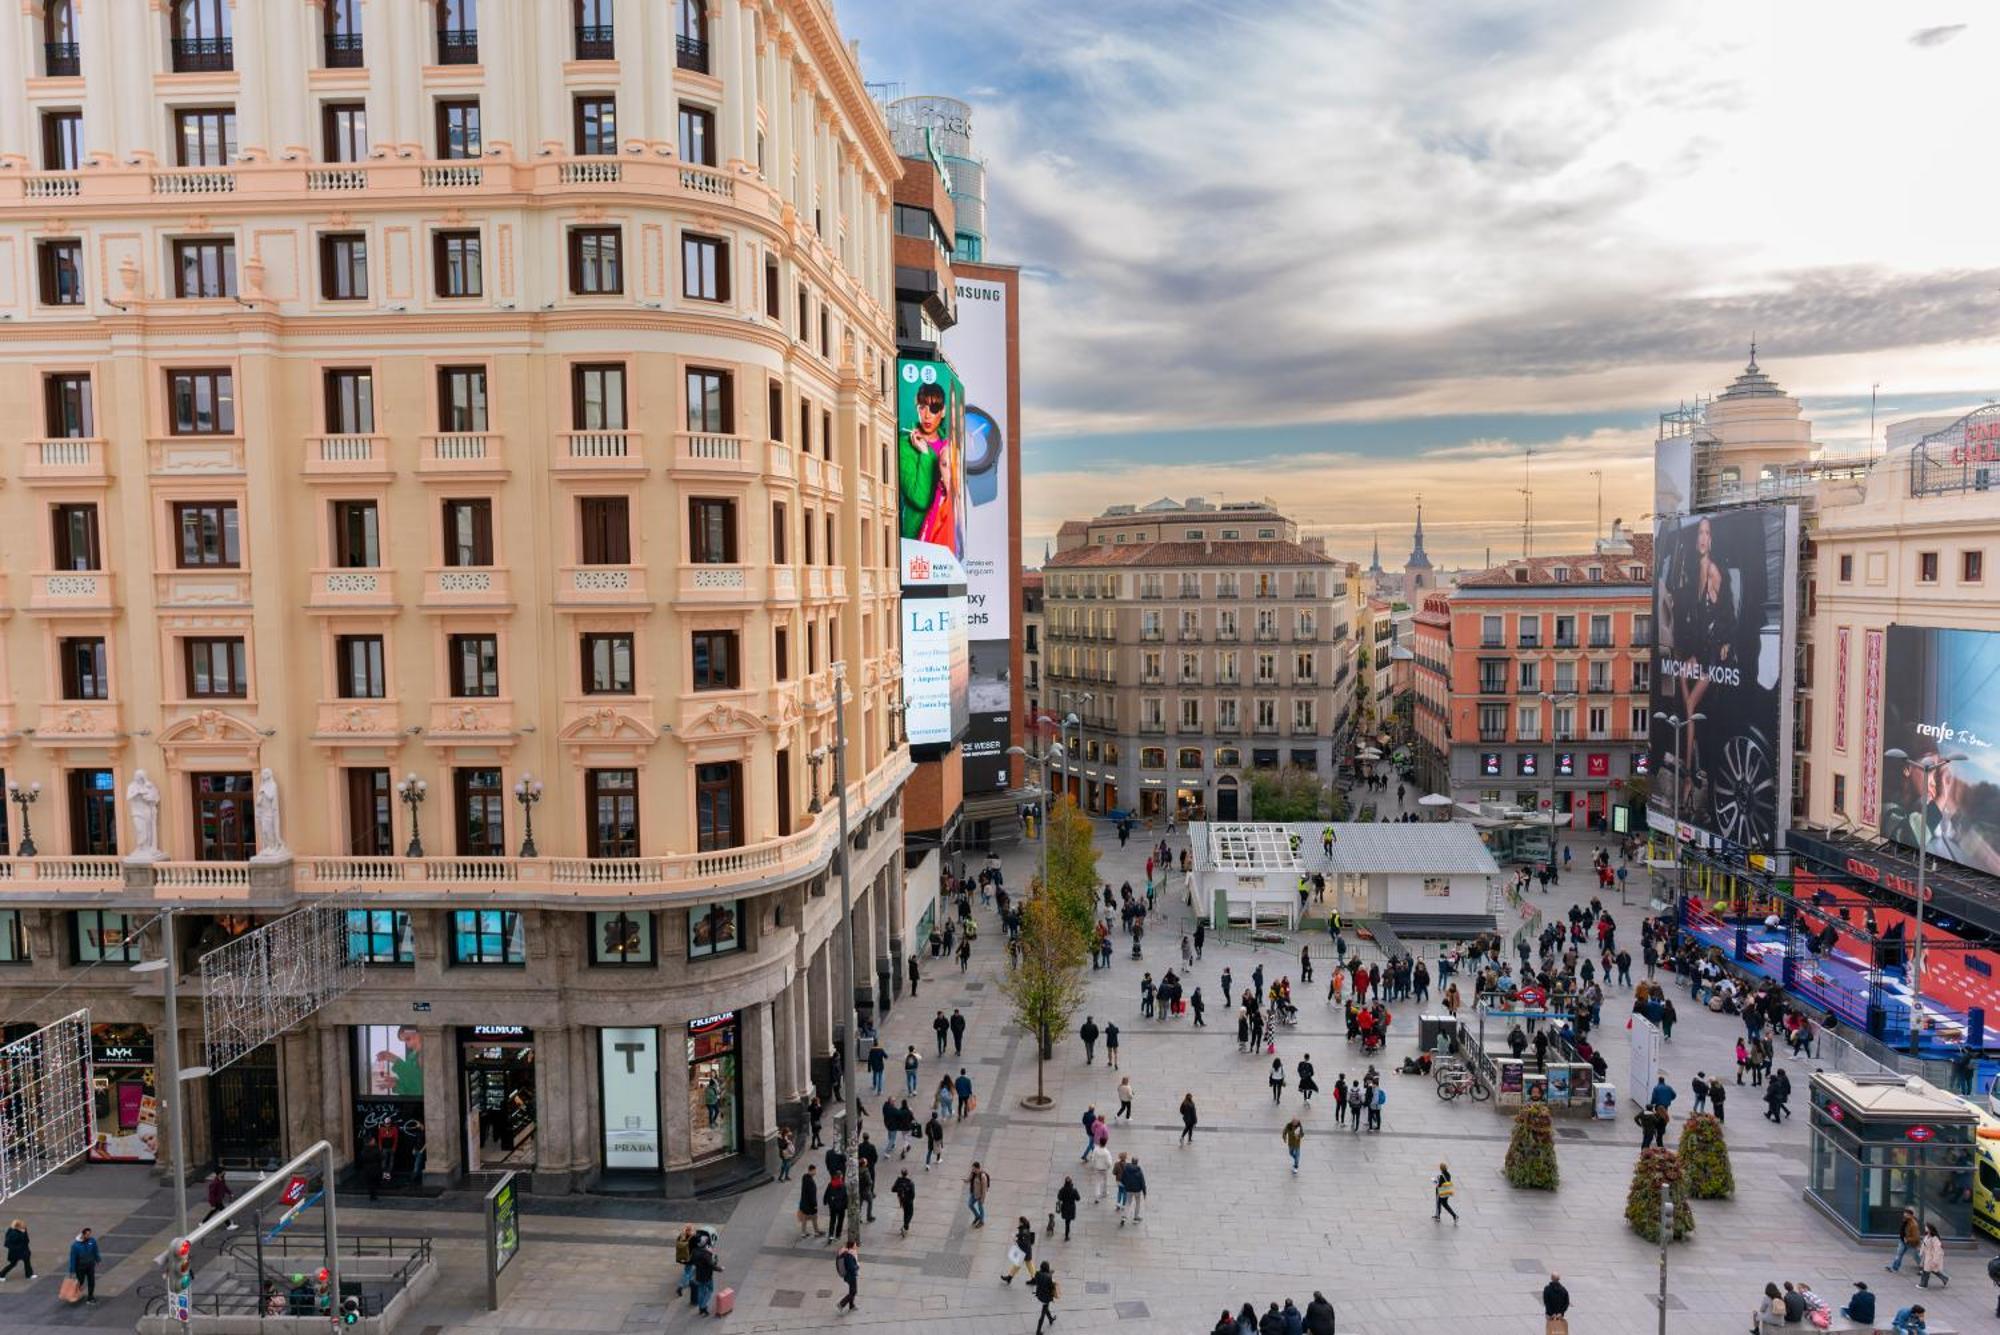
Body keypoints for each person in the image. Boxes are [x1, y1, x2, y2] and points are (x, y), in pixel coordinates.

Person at [689, 1233, 722, 1316]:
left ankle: (701, 1307)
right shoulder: (705, 1254)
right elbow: (711, 1265)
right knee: (710, 1290)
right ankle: (703, 1306)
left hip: (699, 1275)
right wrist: (720, 1268)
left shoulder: (694, 1251)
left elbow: (692, 1261)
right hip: (707, 1276)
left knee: (701, 1290)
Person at [68, 1228, 100, 1305]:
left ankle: (90, 1297)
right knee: (80, 1282)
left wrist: (98, 1259)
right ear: (83, 1234)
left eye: (90, 1234)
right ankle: (75, 1293)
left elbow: (95, 1251)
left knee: (91, 1281)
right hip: (80, 1267)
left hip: (90, 1265)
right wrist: (72, 1270)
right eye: (87, 1234)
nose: (89, 1236)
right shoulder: (75, 1246)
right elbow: (73, 1258)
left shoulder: (92, 1241)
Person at [1001, 1216, 1035, 1283]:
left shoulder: (1024, 1231)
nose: (1018, 1223)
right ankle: (1010, 1277)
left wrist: (1016, 1240)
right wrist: (1017, 1235)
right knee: (1022, 1264)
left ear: (1022, 1223)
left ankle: (1010, 1277)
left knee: (1028, 1265)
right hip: (1025, 1251)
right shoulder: (1024, 1229)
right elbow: (1023, 1237)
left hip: (1025, 1252)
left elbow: (1024, 1242)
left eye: (1019, 1222)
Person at [1918, 1223, 1949, 1287]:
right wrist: (1921, 1253)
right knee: (1932, 1270)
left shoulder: (1935, 1239)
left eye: (1926, 1227)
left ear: (1930, 1229)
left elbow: (1938, 1250)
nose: (1925, 1228)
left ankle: (1923, 1284)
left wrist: (1935, 1260)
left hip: (1931, 1257)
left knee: (1926, 1271)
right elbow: (1923, 1245)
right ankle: (1945, 1278)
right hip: (1926, 1256)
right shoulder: (1926, 1236)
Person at [1032, 1260, 1059, 1332]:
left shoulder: (1037, 1273)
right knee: (1043, 1314)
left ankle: (1050, 1319)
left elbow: (1042, 1276)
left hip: (1039, 1295)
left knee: (1045, 1308)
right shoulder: (1049, 1277)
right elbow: (1051, 1288)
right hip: (1045, 1298)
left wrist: (1050, 1274)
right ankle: (1038, 1331)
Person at [1118, 1157, 1146, 1224]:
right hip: (1137, 1190)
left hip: (1129, 1189)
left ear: (1131, 1161)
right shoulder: (1139, 1170)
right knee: (1138, 1203)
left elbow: (1122, 1179)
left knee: (1128, 1203)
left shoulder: (1126, 1169)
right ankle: (1136, 1218)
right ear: (1137, 1162)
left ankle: (1124, 1217)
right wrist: (1144, 1192)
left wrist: (1126, 1185)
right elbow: (1142, 1182)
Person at [797, 1165, 823, 1237]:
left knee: (804, 1217)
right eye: (814, 1171)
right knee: (814, 1217)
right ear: (811, 1170)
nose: (815, 1172)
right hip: (810, 1204)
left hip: (804, 1202)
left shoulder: (805, 1177)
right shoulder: (810, 1181)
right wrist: (815, 1205)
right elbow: (812, 1195)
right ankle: (816, 1232)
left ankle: (803, 1232)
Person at [834, 1240, 860, 1312]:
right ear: (852, 1246)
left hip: (849, 1276)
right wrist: (857, 1267)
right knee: (854, 1292)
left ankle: (851, 1306)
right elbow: (851, 1267)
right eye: (855, 1245)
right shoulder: (849, 1255)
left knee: (851, 1291)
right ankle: (841, 1304)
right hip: (851, 1276)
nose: (856, 1246)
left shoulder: (848, 1253)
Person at [823, 1171, 849, 1243]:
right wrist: (845, 1206)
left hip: (833, 1206)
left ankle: (831, 1235)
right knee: (840, 1221)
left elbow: (827, 1193)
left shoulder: (831, 1184)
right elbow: (845, 1197)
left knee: (832, 1221)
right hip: (841, 1207)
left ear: (835, 1176)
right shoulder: (843, 1185)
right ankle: (838, 1235)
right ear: (841, 1177)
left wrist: (826, 1202)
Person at [966, 1161, 991, 1227]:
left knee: (980, 1208)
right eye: (972, 1168)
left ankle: (981, 1221)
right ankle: (977, 1216)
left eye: (974, 1168)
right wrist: (966, 1180)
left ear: (978, 1168)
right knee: (970, 1204)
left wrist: (983, 1198)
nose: (972, 1170)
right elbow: (969, 1179)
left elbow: (984, 1189)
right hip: (974, 1193)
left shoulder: (983, 1176)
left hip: (980, 1195)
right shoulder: (973, 1173)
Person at [1055, 1176, 1080, 1241]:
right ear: (1071, 1182)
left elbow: (1059, 1198)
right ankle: (1066, 1235)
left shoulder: (1062, 1189)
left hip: (1065, 1207)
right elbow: (1078, 1199)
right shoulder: (1074, 1190)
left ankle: (1067, 1233)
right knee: (1068, 1222)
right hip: (1071, 1208)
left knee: (1067, 1222)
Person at [892, 1168, 916, 1235]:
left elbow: (893, 1189)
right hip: (909, 1200)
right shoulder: (910, 1182)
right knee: (910, 1213)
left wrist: (900, 1190)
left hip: (902, 1200)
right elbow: (913, 1194)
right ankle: (905, 1226)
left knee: (905, 1213)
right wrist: (911, 1199)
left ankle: (906, 1228)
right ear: (907, 1173)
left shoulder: (899, 1180)